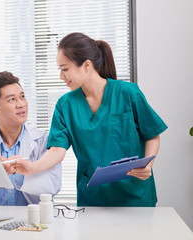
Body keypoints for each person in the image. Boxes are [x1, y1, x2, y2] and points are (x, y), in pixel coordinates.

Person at [14, 32, 168, 207]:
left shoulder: (128, 93)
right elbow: (57, 149)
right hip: (93, 198)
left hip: (135, 195)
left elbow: (152, 134)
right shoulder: (65, 105)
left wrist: (148, 164)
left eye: (65, 69)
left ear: (86, 65)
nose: (61, 76)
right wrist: (33, 168)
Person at [0, 71, 62, 206]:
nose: (21, 104)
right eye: (11, 99)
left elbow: (53, 185)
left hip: (32, 222)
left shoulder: (43, 140)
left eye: (22, 96)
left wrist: (17, 174)